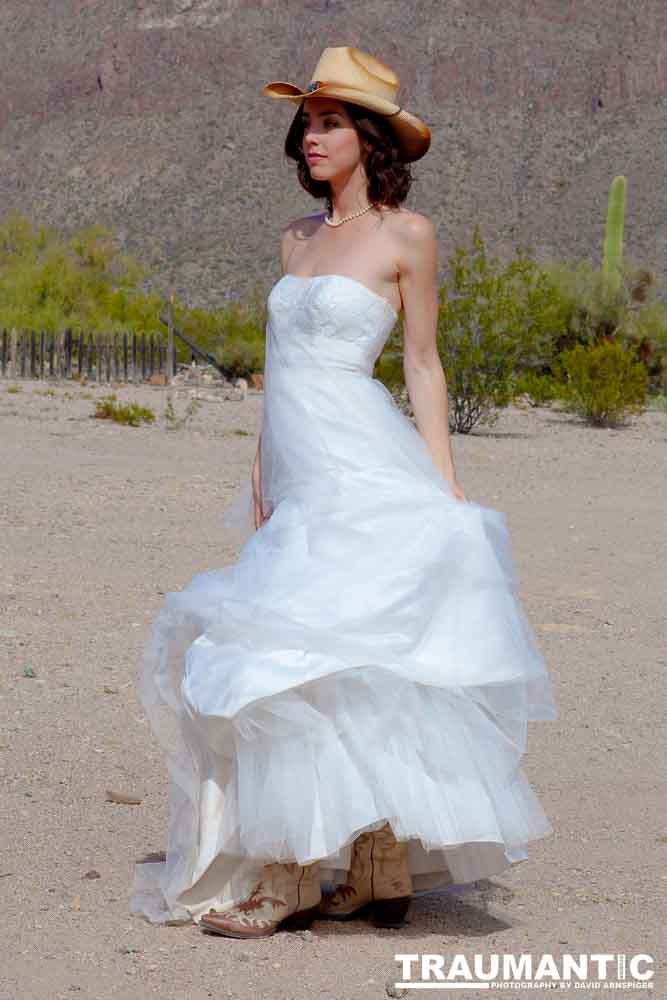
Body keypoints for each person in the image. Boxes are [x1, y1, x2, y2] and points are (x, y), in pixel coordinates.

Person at [129, 45, 557, 939]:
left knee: (342, 658)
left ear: (369, 138)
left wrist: (444, 490)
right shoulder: (293, 237)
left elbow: (423, 364)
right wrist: (259, 476)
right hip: (297, 469)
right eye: (308, 122)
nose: (312, 136)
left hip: (368, 466)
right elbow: (282, 372)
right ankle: (369, 866)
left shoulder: (407, 235)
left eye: (330, 122)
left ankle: (300, 876)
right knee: (300, 653)